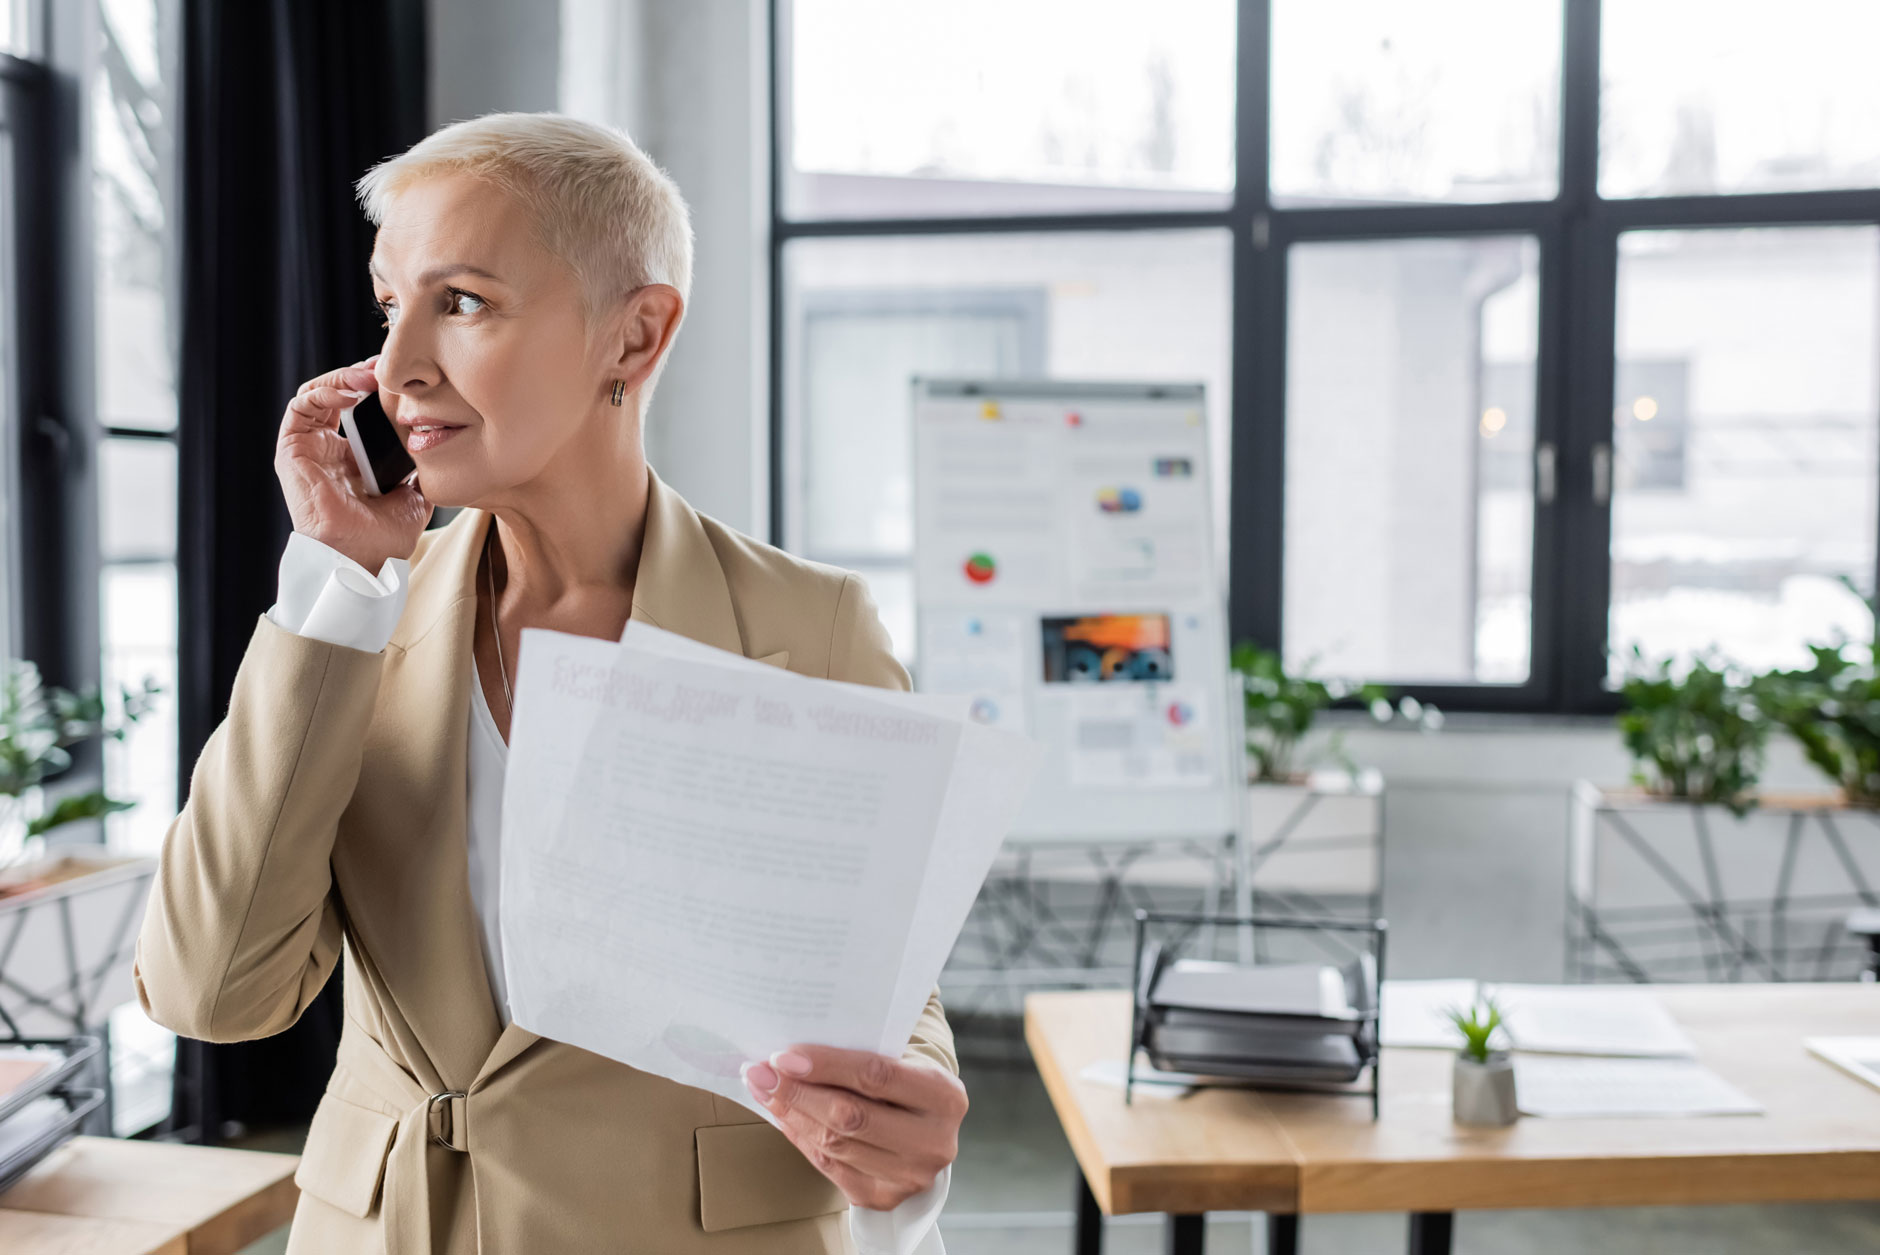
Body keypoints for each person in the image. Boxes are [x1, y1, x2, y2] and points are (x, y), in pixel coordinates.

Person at [133, 111, 964, 1255]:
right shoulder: (352, 622)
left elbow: (883, 987)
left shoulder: (806, 627)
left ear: (634, 338)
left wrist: (899, 1109)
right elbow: (210, 993)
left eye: (461, 301)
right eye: (390, 304)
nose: (397, 366)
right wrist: (333, 585)